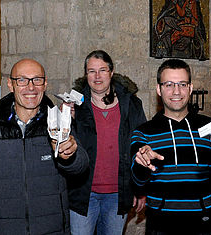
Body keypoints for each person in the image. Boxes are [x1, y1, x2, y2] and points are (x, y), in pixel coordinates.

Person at [0, 59, 89, 234]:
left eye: (37, 80)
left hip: (51, 229)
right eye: (22, 80)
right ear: (10, 84)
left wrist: (70, 156)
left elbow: (81, 166)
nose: (31, 87)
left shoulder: (59, 123)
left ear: (45, 84)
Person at [130, 59, 211, 235]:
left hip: (204, 225)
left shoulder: (209, 128)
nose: (176, 91)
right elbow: (137, 181)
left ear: (190, 88)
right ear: (159, 89)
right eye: (169, 84)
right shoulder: (143, 133)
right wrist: (142, 163)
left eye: (182, 84)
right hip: (160, 226)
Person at [66, 50, 147, 235]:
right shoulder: (74, 105)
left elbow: (140, 146)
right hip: (83, 193)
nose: (97, 76)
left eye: (102, 70)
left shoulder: (131, 104)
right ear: (85, 74)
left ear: (111, 72)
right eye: (91, 71)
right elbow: (65, 148)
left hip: (118, 194)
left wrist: (140, 188)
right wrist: (67, 120)